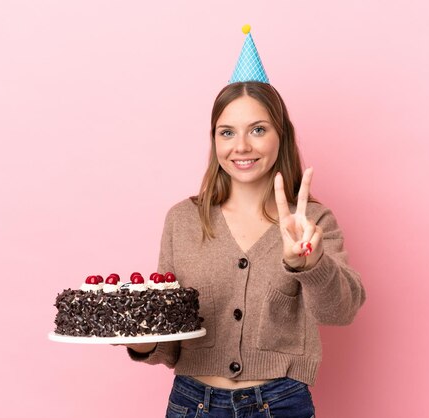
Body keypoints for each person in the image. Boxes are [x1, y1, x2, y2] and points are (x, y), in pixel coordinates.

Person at [123, 28, 365, 418]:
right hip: (191, 404)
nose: (241, 147)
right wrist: (140, 342)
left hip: (280, 404)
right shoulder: (183, 221)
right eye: (227, 132)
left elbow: (341, 311)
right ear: (214, 140)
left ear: (280, 136)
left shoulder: (312, 221)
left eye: (258, 129)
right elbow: (170, 342)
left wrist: (310, 264)